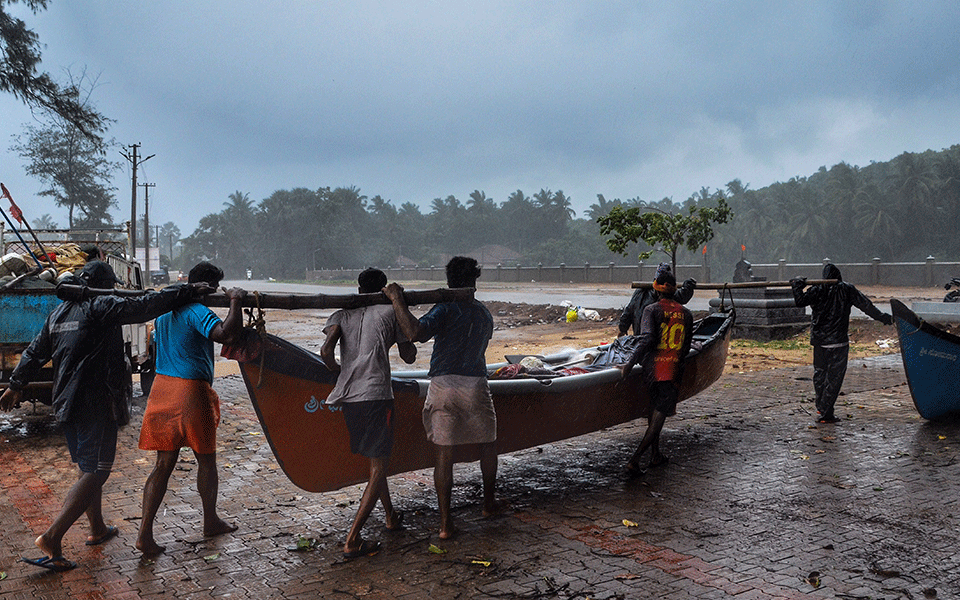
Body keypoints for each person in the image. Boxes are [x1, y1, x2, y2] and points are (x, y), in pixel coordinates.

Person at [0, 261, 213, 572]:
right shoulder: (99, 305)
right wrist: (187, 290)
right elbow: (143, 307)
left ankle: (97, 527)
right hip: (94, 402)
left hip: (66, 403)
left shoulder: (58, 314)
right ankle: (52, 536)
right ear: (104, 285)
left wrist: (16, 385)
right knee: (97, 471)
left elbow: (34, 352)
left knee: (87, 467)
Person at [383, 256, 505, 540]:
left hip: (442, 384)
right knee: (488, 445)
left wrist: (396, 299)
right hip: (475, 383)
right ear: (474, 281)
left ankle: (445, 524)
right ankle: (488, 504)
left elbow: (414, 332)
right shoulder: (483, 313)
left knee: (444, 455)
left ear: (449, 280)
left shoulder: (445, 308)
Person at [136, 262, 247, 556]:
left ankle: (144, 534)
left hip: (161, 389)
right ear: (207, 288)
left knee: (163, 465)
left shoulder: (163, 312)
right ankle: (210, 520)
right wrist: (236, 300)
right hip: (189, 391)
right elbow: (227, 334)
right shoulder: (197, 311)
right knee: (206, 461)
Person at [319, 268, 416, 559]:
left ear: (359, 288)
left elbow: (325, 352)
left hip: (348, 397)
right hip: (375, 395)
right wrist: (399, 306)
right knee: (378, 467)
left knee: (376, 463)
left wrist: (342, 372)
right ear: (383, 289)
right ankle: (352, 539)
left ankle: (390, 516)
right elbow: (409, 355)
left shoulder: (341, 315)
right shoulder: (388, 312)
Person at [791, 263, 893, 424]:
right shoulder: (847, 289)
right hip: (838, 342)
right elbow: (867, 306)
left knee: (820, 375)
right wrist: (884, 318)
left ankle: (824, 409)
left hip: (820, 342)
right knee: (834, 378)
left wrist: (797, 285)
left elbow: (799, 301)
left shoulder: (817, 289)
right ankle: (825, 411)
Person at [618, 270, 694, 477]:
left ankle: (655, 455)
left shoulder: (651, 310)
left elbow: (647, 339)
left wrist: (629, 362)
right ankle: (634, 460)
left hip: (651, 369)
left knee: (654, 410)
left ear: (656, 288)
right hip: (671, 371)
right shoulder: (686, 314)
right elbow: (686, 348)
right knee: (659, 416)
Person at [618, 262, 696, 336]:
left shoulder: (644, 294)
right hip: (649, 340)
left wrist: (623, 329)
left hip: (649, 340)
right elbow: (629, 311)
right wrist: (623, 329)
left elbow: (628, 311)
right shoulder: (644, 296)